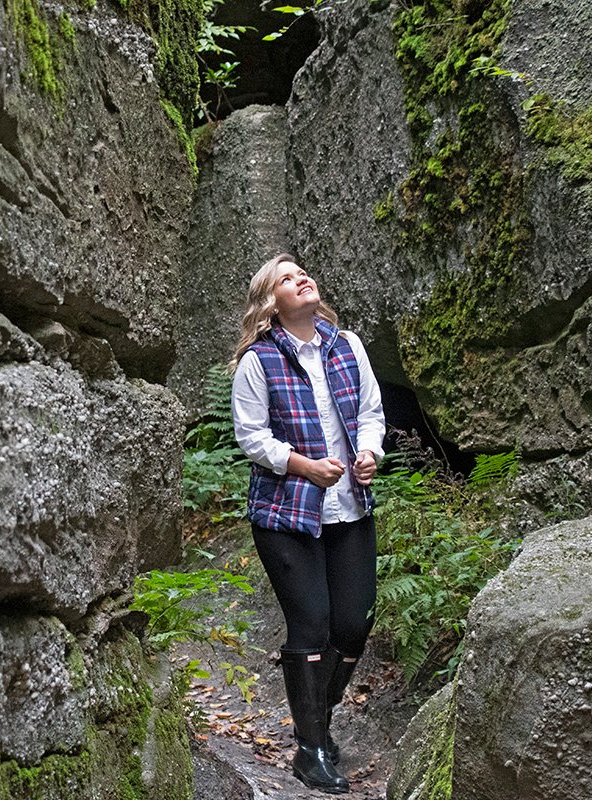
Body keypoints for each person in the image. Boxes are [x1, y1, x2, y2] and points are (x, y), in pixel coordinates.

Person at [229, 252, 385, 794]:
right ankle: (312, 749)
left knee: (354, 623)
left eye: (302, 272)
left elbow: (370, 413)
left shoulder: (349, 346)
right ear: (271, 304)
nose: (301, 279)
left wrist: (368, 452)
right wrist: (303, 466)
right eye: (286, 279)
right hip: (284, 515)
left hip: (350, 506)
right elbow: (251, 438)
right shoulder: (259, 360)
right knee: (313, 625)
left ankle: (316, 716)